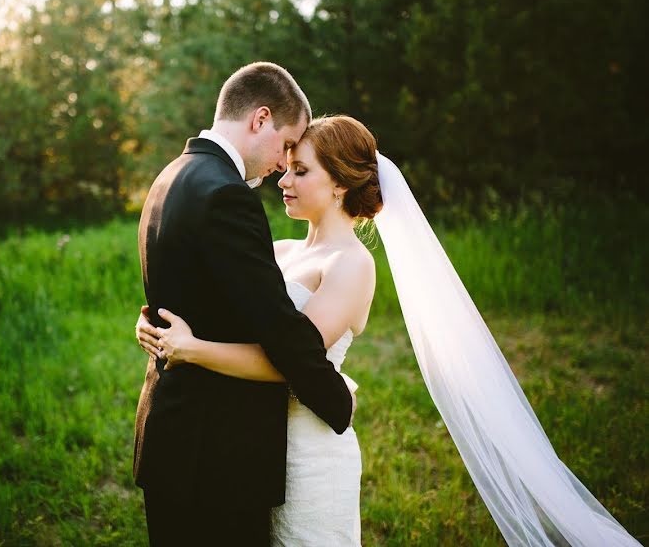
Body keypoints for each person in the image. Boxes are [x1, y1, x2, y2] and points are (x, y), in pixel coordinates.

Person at [138, 115, 643, 546]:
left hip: (311, 450)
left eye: (299, 170)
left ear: (338, 184)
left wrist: (193, 350)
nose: (282, 180)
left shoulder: (352, 265)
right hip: (254, 447)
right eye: (286, 167)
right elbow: (233, 312)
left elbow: (294, 359)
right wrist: (157, 320)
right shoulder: (281, 251)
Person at [133, 62, 356, 546]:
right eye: (285, 146)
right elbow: (279, 328)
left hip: (171, 438)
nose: (281, 164)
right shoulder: (226, 195)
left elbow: (186, 290)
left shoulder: (170, 177)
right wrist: (336, 399)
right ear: (260, 119)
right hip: (216, 455)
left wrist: (151, 324)